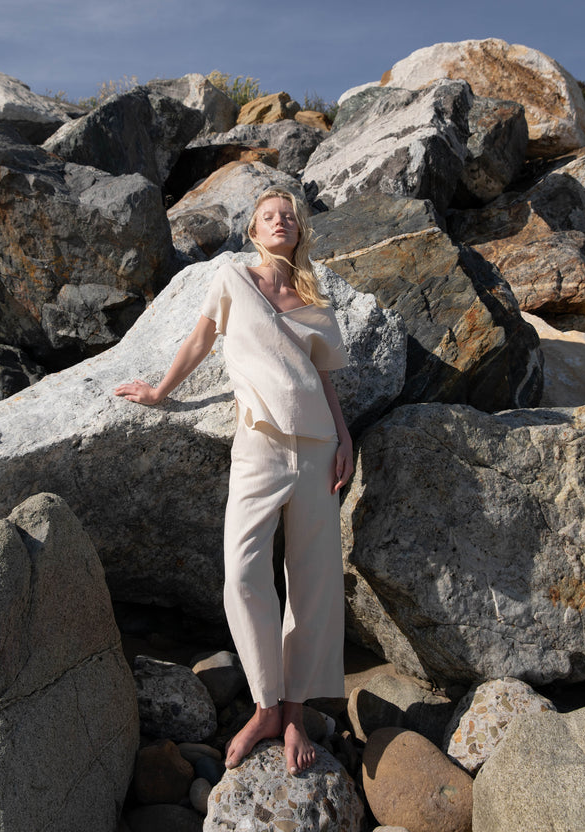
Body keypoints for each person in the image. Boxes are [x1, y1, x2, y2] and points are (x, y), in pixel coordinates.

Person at [115, 188, 353, 775]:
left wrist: (346, 438)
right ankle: (265, 702)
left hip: (321, 449)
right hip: (259, 447)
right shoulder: (231, 279)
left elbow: (325, 383)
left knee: (315, 581)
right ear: (253, 230)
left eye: (289, 216)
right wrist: (159, 390)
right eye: (269, 215)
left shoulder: (315, 302)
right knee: (244, 573)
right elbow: (200, 340)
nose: (281, 221)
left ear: (300, 231)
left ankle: (294, 710)